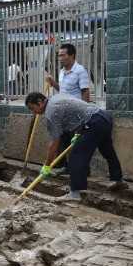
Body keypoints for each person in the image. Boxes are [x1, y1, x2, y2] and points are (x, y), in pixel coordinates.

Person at [25, 92, 127, 202]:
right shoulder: (56, 97)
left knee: (76, 156)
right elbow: (76, 112)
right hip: (103, 117)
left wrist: (47, 165)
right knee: (107, 150)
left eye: (32, 108)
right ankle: (117, 179)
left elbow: (54, 143)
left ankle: (75, 193)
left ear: (40, 102)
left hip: (92, 122)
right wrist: (78, 133)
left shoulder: (51, 112)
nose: (34, 112)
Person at [46, 44, 91, 173]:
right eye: (59, 55)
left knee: (76, 144)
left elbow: (85, 92)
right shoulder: (62, 72)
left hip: (76, 114)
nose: (60, 58)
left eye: (62, 55)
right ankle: (66, 167)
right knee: (63, 141)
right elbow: (63, 90)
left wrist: (84, 115)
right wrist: (53, 82)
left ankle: (83, 171)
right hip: (63, 113)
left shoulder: (80, 71)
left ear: (72, 55)